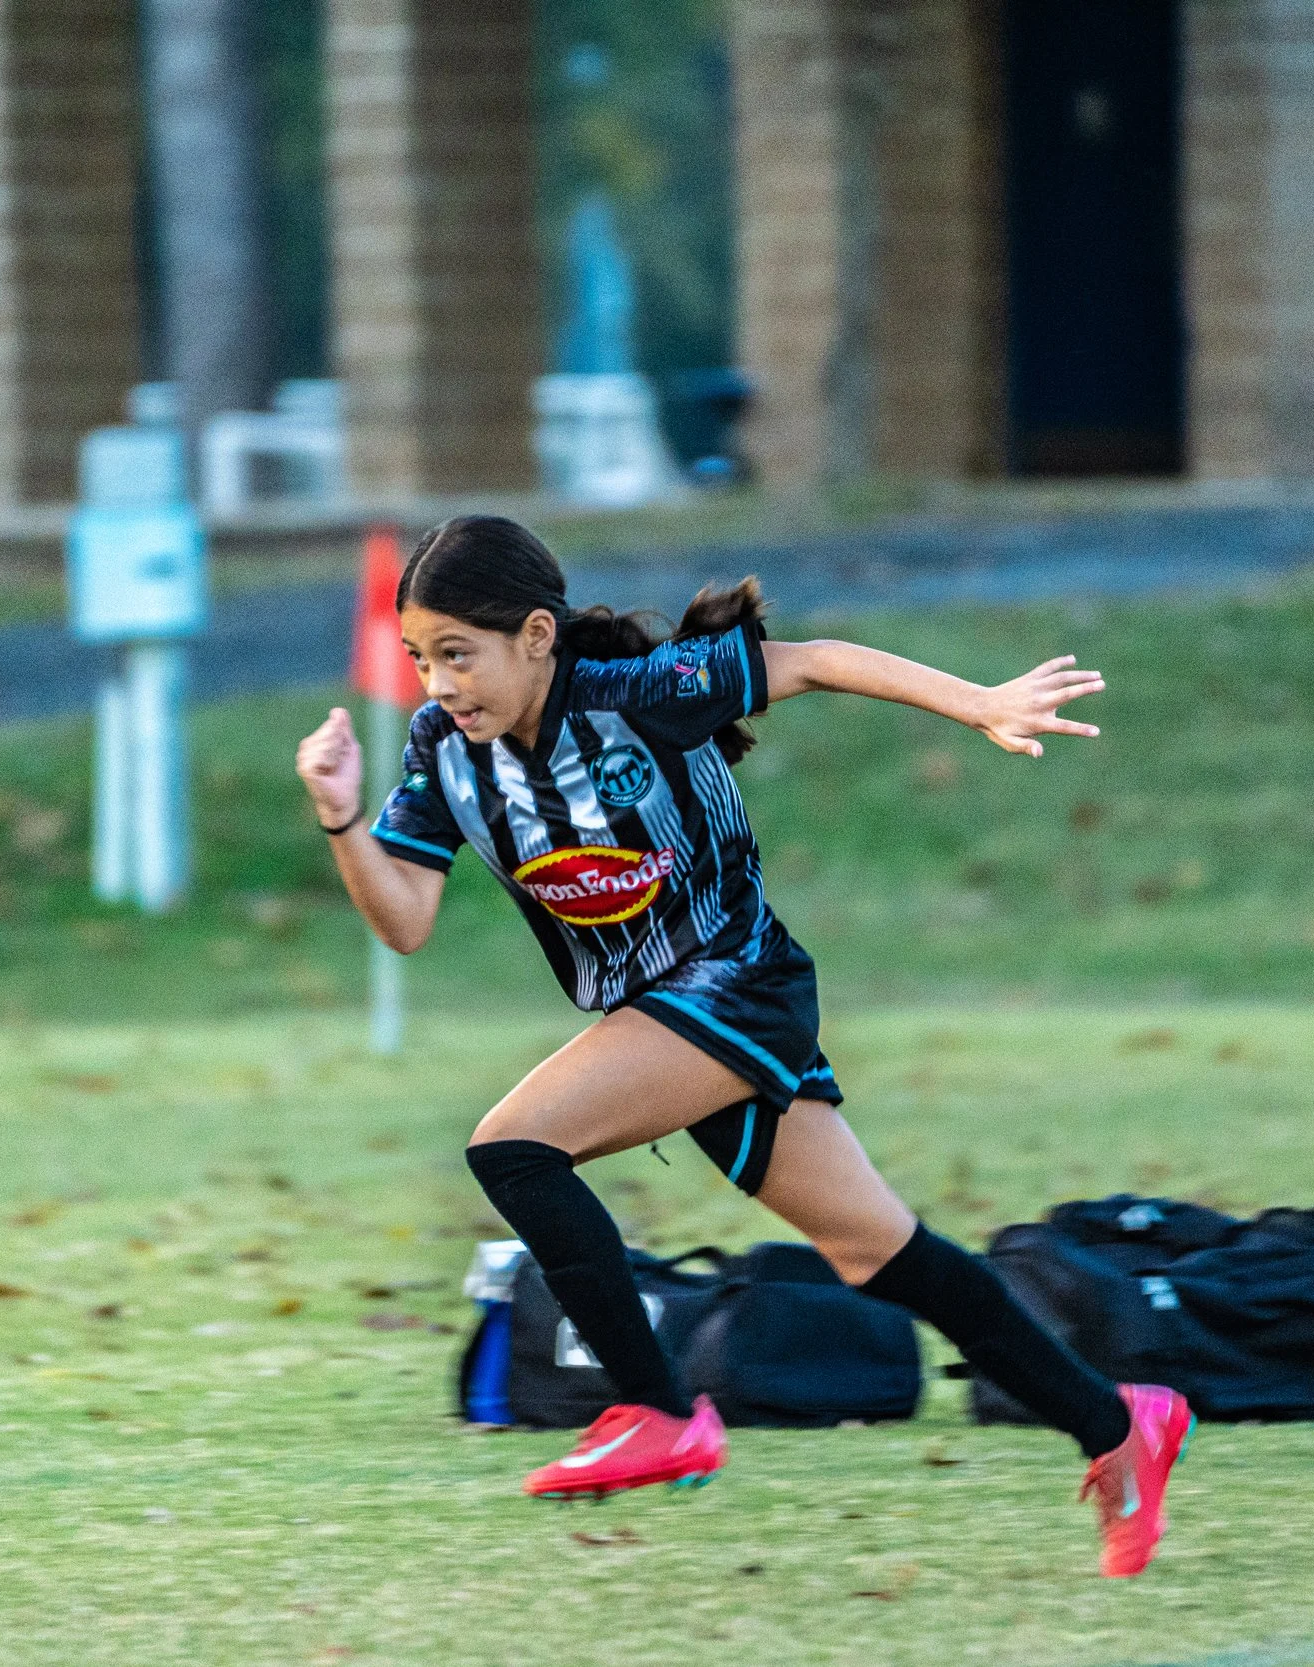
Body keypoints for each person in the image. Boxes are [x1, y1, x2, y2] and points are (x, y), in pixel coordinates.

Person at [294, 515, 1192, 1578]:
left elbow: (811, 662)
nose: (438, 681)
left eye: (458, 653)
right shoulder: (446, 750)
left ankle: (658, 1408)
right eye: (419, 658)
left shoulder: (638, 688)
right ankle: (1116, 1421)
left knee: (514, 1149)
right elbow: (403, 920)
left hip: (733, 982)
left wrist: (979, 702)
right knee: (882, 1252)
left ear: (536, 635)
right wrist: (342, 821)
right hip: (664, 1014)